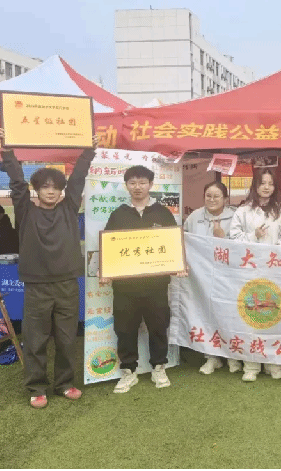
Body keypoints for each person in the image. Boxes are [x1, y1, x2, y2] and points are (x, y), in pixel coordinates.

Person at [0, 129, 98, 409]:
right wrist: (7, 153)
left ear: (62, 190)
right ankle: (36, 387)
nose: (51, 191)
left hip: (67, 284)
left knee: (67, 339)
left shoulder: (68, 208)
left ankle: (64, 384)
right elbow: (17, 183)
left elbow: (78, 179)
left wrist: (88, 152)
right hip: (37, 286)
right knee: (35, 339)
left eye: (55, 187)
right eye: (45, 187)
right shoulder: (26, 211)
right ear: (37, 190)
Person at [102, 166, 179, 394]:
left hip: (156, 285)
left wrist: (178, 265)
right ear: (127, 185)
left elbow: (173, 245)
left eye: (142, 182)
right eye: (133, 183)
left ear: (151, 185)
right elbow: (109, 246)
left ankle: (159, 367)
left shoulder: (163, 213)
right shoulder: (118, 214)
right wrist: (105, 271)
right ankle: (129, 371)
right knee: (125, 329)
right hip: (125, 287)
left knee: (158, 326)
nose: (138, 187)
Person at [230, 167, 281, 382]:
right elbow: (234, 238)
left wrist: (273, 252)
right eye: (262, 183)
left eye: (270, 184)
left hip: (274, 270)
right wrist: (253, 236)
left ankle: (274, 364)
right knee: (251, 317)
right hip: (250, 271)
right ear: (255, 186)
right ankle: (251, 365)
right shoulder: (243, 211)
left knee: (273, 316)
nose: (266, 187)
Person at [182, 180, 241, 375]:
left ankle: (232, 356)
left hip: (229, 276)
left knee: (229, 314)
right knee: (206, 314)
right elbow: (184, 241)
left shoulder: (235, 216)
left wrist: (222, 237)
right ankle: (212, 357)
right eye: (208, 196)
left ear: (225, 199)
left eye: (217, 196)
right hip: (202, 276)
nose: (212, 199)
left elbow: (242, 246)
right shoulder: (195, 217)